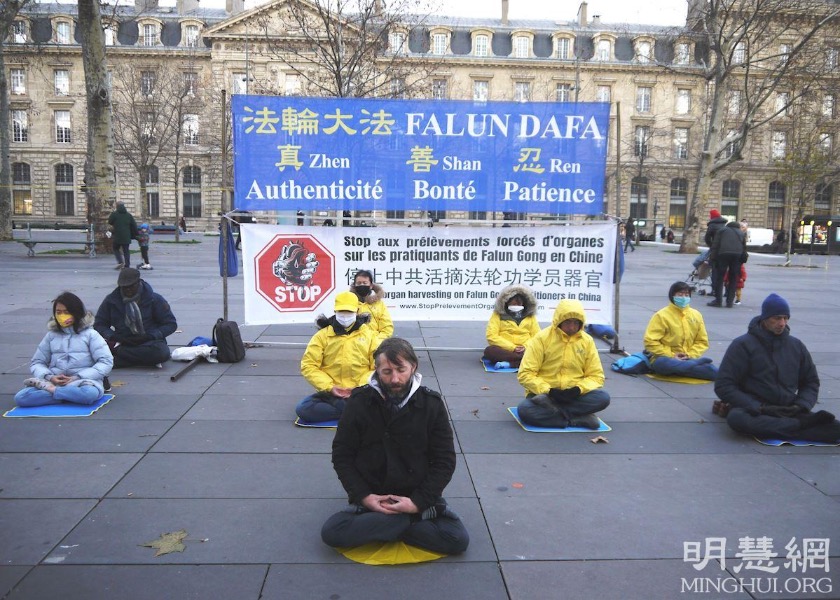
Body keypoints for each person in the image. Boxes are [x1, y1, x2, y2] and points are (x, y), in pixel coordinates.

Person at [321, 337, 470, 555]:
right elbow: (342, 455)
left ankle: (388, 523)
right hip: (373, 495)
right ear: (376, 370)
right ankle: (413, 521)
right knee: (332, 533)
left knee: (457, 540)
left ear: (413, 367)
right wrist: (365, 497)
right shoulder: (358, 401)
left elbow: (445, 461)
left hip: (415, 493)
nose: (395, 379)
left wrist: (417, 503)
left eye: (401, 370)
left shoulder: (432, 404)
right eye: (387, 372)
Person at [715, 294, 840, 443]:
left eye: (786, 318)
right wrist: (758, 407)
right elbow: (724, 385)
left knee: (835, 428)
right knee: (737, 419)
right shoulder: (742, 345)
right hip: (756, 410)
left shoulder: (796, 346)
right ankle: (802, 426)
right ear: (765, 318)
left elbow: (811, 381)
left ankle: (794, 426)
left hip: (788, 409)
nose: (782, 323)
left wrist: (801, 405)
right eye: (777, 318)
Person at [516, 299, 610, 429]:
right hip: (545, 395)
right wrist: (549, 391)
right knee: (525, 410)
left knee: (603, 398)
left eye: (576, 322)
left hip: (574, 395)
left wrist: (578, 389)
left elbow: (596, 376)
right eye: (568, 322)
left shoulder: (587, 341)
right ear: (559, 321)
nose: (572, 327)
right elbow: (525, 374)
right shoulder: (541, 338)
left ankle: (556, 414)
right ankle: (576, 418)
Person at [14, 292, 113, 407]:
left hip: (83, 382)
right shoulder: (51, 336)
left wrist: (78, 377)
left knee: (89, 394)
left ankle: (55, 393)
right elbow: (37, 362)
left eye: (66, 312)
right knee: (21, 398)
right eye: (58, 312)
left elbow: (106, 362)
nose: (62, 316)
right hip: (54, 382)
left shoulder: (91, 335)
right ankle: (68, 396)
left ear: (76, 313)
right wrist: (49, 377)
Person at [297, 291, 380, 422]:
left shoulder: (370, 336)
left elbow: (377, 367)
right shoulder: (322, 336)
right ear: (335, 311)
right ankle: (357, 412)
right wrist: (330, 387)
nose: (345, 316)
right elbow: (309, 366)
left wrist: (359, 388)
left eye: (349, 312)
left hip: (361, 391)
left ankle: (351, 409)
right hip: (332, 392)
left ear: (357, 311)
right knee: (303, 408)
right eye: (341, 312)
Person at [94, 267, 177, 368]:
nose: (127, 289)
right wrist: (113, 336)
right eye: (124, 287)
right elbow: (99, 324)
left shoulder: (154, 299)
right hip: (122, 341)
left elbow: (170, 324)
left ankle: (120, 359)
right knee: (96, 351)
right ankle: (135, 359)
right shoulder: (111, 300)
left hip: (149, 342)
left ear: (139, 282)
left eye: (131, 286)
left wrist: (151, 336)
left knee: (162, 353)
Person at [643, 282, 718, 380]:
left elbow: (702, 342)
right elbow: (650, 341)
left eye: (686, 295)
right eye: (680, 295)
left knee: (713, 372)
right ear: (672, 296)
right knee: (661, 364)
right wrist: (672, 355)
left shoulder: (696, 315)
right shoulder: (661, 315)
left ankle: (687, 365)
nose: (683, 298)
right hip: (666, 358)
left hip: (688, 357)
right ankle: (693, 365)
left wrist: (689, 355)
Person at [483, 284, 540, 368]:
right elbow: (491, 336)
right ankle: (522, 360)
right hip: (505, 350)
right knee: (489, 351)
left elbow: (537, 336)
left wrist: (525, 346)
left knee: (541, 351)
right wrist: (512, 348)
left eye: (519, 303)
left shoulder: (530, 316)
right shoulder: (498, 315)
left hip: (526, 349)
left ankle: (509, 364)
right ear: (506, 302)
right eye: (513, 303)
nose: (516, 306)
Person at [708, 219, 746, 307]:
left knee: (720, 277)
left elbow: (715, 245)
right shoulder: (741, 233)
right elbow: (744, 247)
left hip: (723, 254)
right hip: (737, 256)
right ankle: (729, 302)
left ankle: (718, 301)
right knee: (733, 278)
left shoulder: (722, 231)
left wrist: (713, 258)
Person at [350, 270, 394, 339]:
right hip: (355, 345)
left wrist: (375, 341)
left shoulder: (379, 304)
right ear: (354, 285)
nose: (362, 285)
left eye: (365, 283)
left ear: (371, 286)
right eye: (359, 283)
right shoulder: (349, 302)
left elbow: (387, 329)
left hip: (376, 344)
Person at [108, 201, 138, 270]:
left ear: (116, 206)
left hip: (117, 235)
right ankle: (127, 265)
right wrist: (136, 235)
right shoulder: (128, 215)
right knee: (126, 251)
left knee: (115, 248)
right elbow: (134, 225)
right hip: (126, 236)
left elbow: (110, 222)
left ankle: (120, 261)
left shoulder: (114, 214)